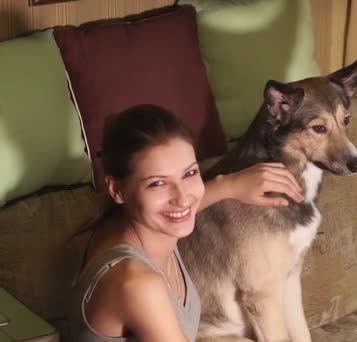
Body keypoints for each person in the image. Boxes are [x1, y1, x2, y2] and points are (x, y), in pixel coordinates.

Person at [68, 104, 304, 341]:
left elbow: (184, 206)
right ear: (117, 190)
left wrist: (229, 184)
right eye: (157, 184)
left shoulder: (128, 222)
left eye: (190, 173)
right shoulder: (137, 285)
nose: (182, 198)